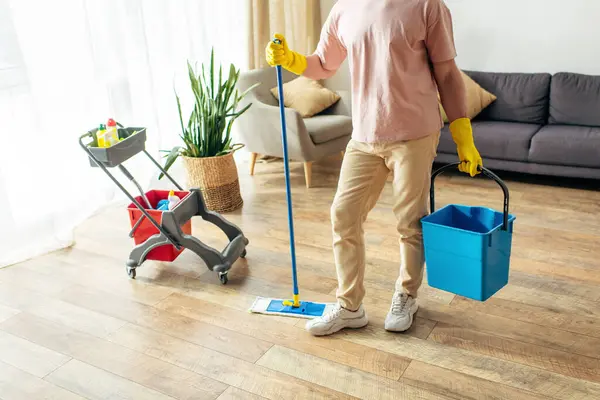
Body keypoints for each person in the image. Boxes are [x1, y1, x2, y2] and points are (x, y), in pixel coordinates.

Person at [265, 0, 482, 336]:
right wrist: (291, 59)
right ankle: (350, 306)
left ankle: (407, 295)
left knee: (410, 221)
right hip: (364, 136)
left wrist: (462, 131)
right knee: (343, 214)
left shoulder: (427, 6)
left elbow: (448, 73)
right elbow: (323, 64)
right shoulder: (344, 9)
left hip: (414, 134)